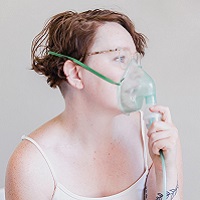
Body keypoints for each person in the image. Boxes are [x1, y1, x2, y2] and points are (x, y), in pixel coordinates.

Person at [5, 9, 183, 200]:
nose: (135, 72)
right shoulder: (32, 165)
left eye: (134, 59)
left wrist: (165, 169)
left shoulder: (153, 137)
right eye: (120, 58)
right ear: (75, 73)